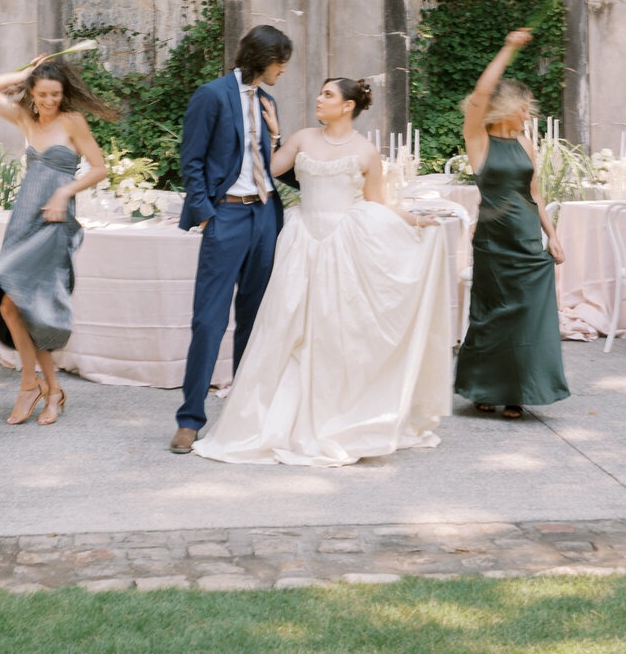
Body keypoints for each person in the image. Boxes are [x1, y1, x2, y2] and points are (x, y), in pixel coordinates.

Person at [192, 77, 451, 466]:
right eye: (320, 92)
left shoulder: (365, 152)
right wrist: (275, 136)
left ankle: (336, 416)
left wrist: (414, 220)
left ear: (347, 106)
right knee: (285, 327)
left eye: (328, 94)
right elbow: (265, 169)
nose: (318, 97)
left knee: (334, 332)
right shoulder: (302, 139)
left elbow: (377, 201)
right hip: (300, 239)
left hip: (343, 245)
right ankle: (270, 422)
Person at [0, 56, 115, 425]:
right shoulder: (25, 118)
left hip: (54, 225)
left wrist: (65, 194)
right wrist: (23, 73)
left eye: (56, 95)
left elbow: (99, 168)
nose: (50, 102)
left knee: (26, 307)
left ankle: (34, 386)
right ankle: (46, 387)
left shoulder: (72, 122)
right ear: (32, 92)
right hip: (24, 221)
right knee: (15, 308)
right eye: (43, 94)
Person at [169, 25, 293, 455]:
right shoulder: (211, 94)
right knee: (209, 319)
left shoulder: (268, 101)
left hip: (265, 216)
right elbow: (192, 160)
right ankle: (190, 419)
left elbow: (275, 166)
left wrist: (277, 135)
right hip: (227, 215)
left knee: (255, 318)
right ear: (264, 58)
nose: (284, 70)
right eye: (281, 62)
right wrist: (207, 215)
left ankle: (243, 414)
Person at [453, 30, 569, 419]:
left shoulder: (525, 144)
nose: (527, 114)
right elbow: (480, 93)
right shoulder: (479, 140)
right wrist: (508, 48)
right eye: (522, 107)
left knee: (526, 316)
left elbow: (535, 193)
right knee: (490, 313)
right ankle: (482, 386)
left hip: (526, 239)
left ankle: (518, 390)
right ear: (504, 107)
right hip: (493, 240)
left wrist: (552, 237)